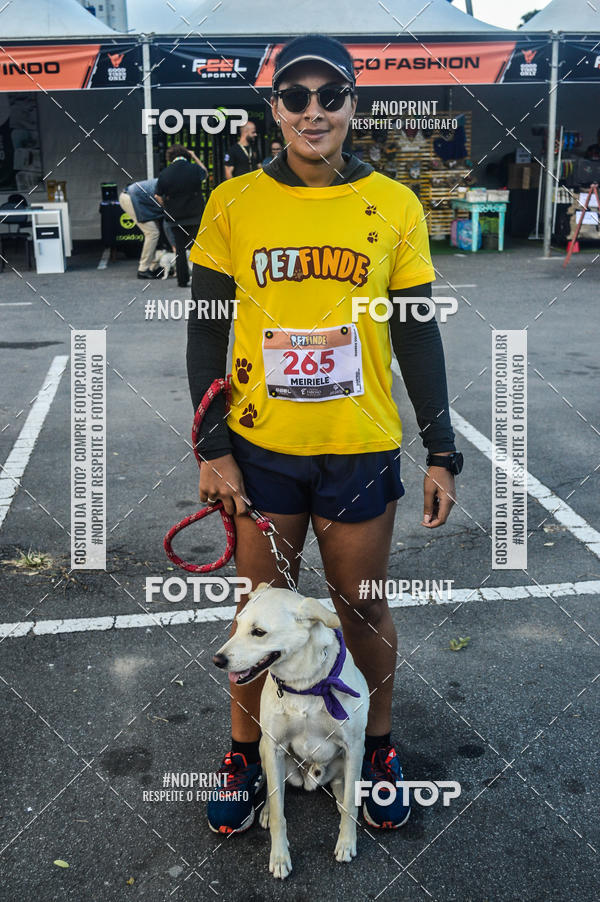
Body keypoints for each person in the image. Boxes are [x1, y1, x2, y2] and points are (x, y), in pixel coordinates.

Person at [187, 33, 462, 836]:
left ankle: (375, 748)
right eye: (296, 96)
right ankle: (244, 752)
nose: (314, 111)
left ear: (352, 105)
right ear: (274, 109)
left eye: (329, 95)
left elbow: (417, 332)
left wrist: (441, 449)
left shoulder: (395, 204)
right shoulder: (233, 201)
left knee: (361, 608)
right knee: (254, 614)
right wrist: (212, 445)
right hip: (260, 449)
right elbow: (206, 328)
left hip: (359, 448)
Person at [155, 145, 207, 287]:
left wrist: (166, 207)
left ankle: (182, 280)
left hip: (175, 218)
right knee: (199, 247)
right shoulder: (194, 169)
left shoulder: (165, 173)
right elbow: (205, 173)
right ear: (186, 156)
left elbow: (157, 195)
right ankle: (200, 278)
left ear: (170, 158)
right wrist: (195, 156)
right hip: (195, 215)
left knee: (180, 249)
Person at [118, 178, 163, 279]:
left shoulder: (170, 178)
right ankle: (143, 269)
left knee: (155, 230)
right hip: (131, 198)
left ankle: (153, 266)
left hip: (135, 197)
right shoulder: (173, 184)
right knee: (152, 233)